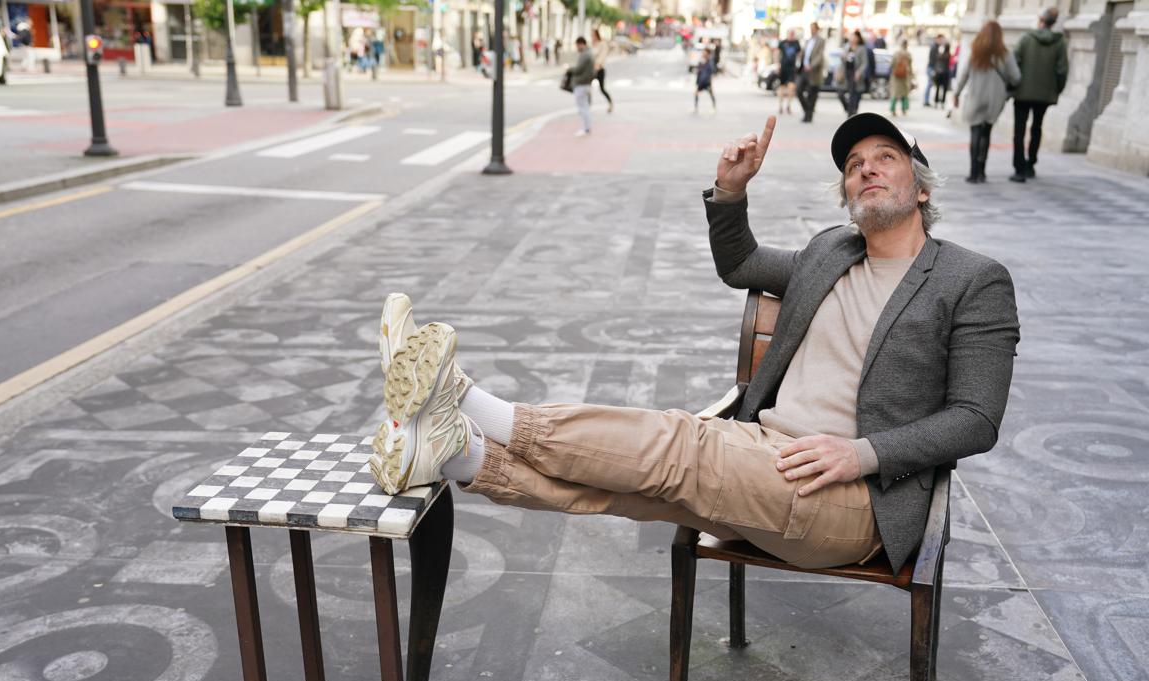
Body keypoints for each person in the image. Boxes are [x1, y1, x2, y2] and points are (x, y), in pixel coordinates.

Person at [367, 112, 1021, 577]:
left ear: (922, 186)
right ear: (847, 195)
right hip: (760, 451)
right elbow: (741, 265)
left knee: (681, 444)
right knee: (639, 490)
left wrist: (863, 455)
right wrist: (732, 191)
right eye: (854, 165)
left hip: (852, 502)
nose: (866, 170)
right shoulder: (831, 251)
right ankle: (458, 454)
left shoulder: (972, 279)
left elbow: (976, 419)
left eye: (886, 158)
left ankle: (465, 397)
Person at [954, 20, 1020, 183]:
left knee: (975, 132)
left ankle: (973, 172)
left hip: (976, 98)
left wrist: (956, 93)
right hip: (995, 101)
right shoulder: (1005, 54)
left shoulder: (975, 52)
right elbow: (1016, 77)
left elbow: (963, 75)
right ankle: (982, 171)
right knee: (986, 132)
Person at [1009, 7, 1069, 181]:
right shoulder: (1059, 43)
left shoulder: (1026, 39)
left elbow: (1014, 63)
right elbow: (1062, 70)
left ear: (1041, 20)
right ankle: (1031, 164)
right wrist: (1056, 90)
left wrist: (1013, 85)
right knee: (1037, 128)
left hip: (1022, 93)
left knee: (1019, 131)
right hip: (1044, 95)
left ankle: (1019, 169)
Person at [797, 22, 826, 123]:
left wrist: (812, 65)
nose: (811, 30)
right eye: (810, 28)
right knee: (798, 90)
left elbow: (819, 56)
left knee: (812, 94)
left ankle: (808, 116)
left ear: (817, 29)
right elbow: (805, 53)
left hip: (814, 71)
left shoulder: (821, 41)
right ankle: (807, 111)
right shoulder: (808, 40)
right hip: (804, 70)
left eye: (813, 28)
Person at [569, 36, 596, 136]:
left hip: (582, 84)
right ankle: (587, 127)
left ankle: (586, 128)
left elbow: (578, 69)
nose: (577, 47)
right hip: (586, 84)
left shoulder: (585, 54)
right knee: (585, 107)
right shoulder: (588, 53)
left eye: (577, 45)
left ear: (581, 44)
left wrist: (569, 69)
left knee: (583, 108)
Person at [837, 31, 868, 116]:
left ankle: (851, 114)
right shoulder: (847, 46)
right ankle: (849, 109)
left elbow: (864, 63)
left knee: (853, 94)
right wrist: (843, 57)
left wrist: (859, 72)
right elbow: (842, 58)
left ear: (858, 38)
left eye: (854, 37)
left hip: (855, 74)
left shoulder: (861, 48)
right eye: (851, 36)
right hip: (845, 73)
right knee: (840, 93)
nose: (852, 38)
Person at [776, 29, 802, 115]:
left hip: (792, 68)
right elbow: (777, 53)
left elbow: (799, 54)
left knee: (792, 87)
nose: (791, 35)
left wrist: (799, 64)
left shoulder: (796, 43)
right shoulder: (783, 43)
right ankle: (780, 106)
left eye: (792, 34)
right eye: (790, 34)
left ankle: (788, 105)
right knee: (782, 87)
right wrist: (777, 64)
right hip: (783, 68)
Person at [889, 38, 913, 116]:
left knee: (895, 93)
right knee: (904, 93)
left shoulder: (896, 53)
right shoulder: (908, 54)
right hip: (905, 76)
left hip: (896, 76)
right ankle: (904, 109)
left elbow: (892, 64)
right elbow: (910, 66)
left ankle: (893, 110)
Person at [592, 30, 614, 114]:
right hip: (591, 69)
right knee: (586, 87)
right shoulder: (593, 44)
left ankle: (610, 103)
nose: (592, 37)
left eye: (593, 35)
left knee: (602, 89)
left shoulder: (602, 44)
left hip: (599, 69)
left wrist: (598, 64)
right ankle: (586, 105)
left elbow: (603, 55)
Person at [927, 34, 952, 108]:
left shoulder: (940, 55)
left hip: (939, 73)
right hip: (945, 73)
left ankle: (936, 102)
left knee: (937, 88)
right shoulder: (949, 55)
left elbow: (935, 62)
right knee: (944, 89)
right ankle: (942, 103)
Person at [694, 48, 716, 114]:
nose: (703, 53)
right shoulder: (701, 61)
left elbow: (711, 72)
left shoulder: (710, 62)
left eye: (704, 52)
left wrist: (711, 83)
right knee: (696, 93)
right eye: (703, 52)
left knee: (711, 94)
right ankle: (696, 108)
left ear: (708, 53)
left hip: (706, 81)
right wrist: (697, 81)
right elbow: (699, 72)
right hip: (701, 81)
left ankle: (714, 107)